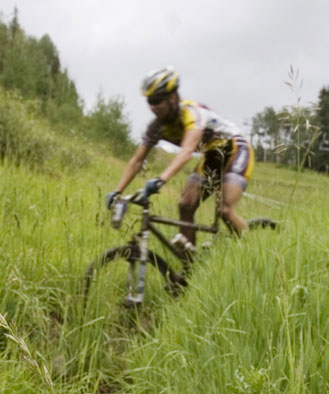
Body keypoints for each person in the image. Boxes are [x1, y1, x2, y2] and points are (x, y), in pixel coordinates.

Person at [105, 66, 253, 254]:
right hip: (212, 156)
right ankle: (188, 270)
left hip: (236, 149)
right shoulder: (156, 127)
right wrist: (117, 191)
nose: (153, 106)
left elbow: (187, 151)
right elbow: (136, 160)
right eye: (150, 101)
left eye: (157, 100)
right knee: (185, 205)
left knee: (225, 210)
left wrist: (161, 179)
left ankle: (254, 254)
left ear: (173, 97)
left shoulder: (192, 113)